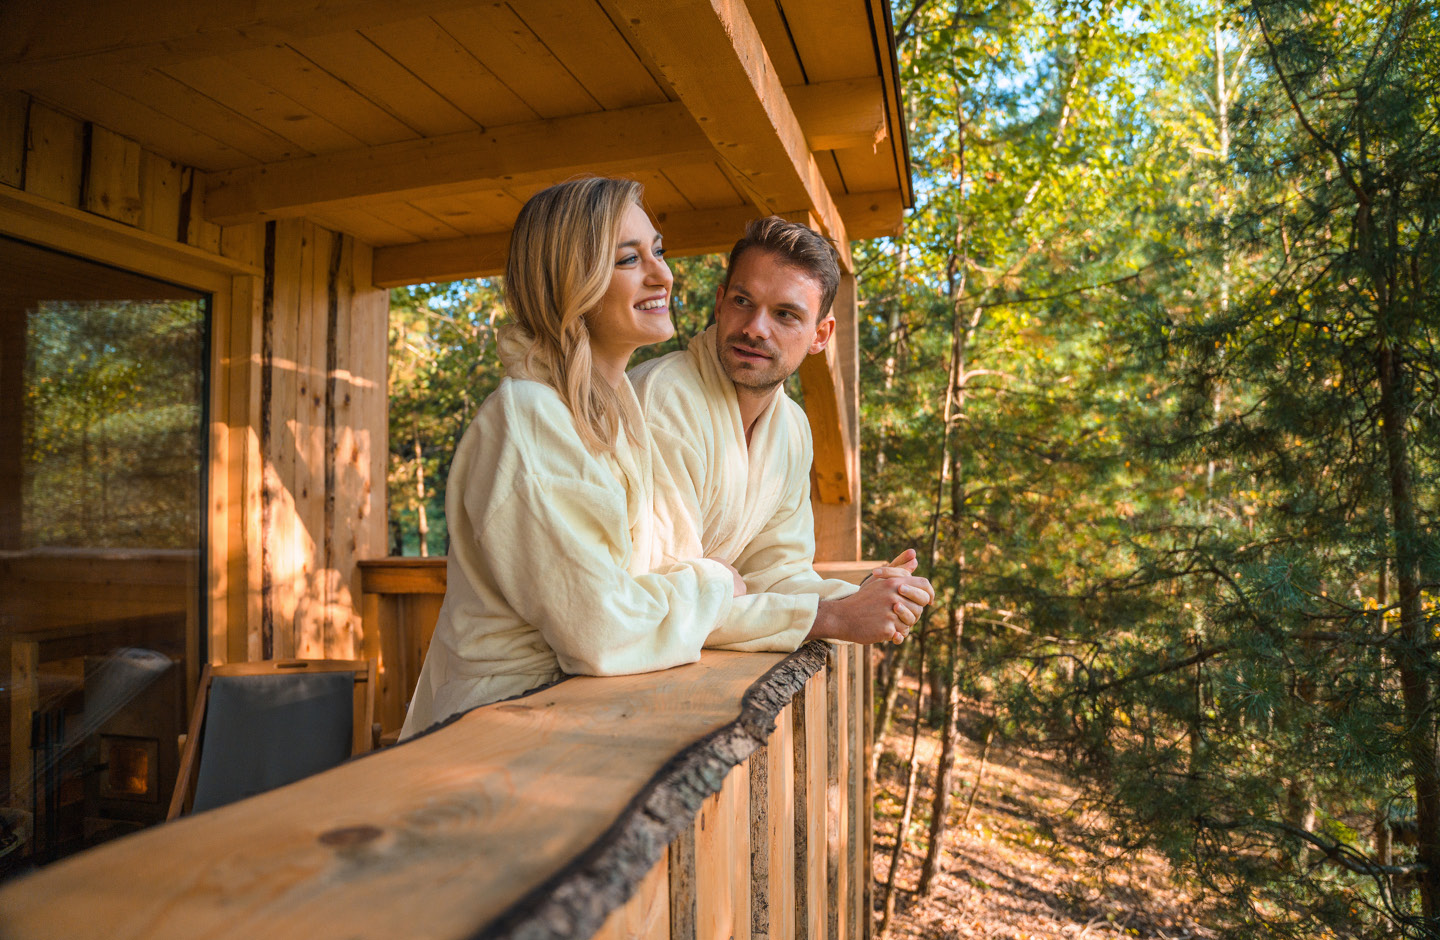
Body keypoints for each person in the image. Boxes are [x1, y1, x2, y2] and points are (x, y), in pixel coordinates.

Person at [400, 178, 752, 739]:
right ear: (571, 282)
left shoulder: (607, 414)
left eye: (657, 251)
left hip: (567, 716)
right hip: (499, 738)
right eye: (627, 259)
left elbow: (639, 575)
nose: (662, 274)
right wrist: (714, 583)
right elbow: (603, 629)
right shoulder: (528, 420)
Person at [631, 216, 933, 646]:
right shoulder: (665, 402)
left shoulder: (791, 428)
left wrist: (868, 596)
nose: (755, 327)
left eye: (786, 314)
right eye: (742, 301)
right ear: (719, 303)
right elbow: (664, 599)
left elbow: (777, 574)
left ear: (820, 335)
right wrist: (833, 618)